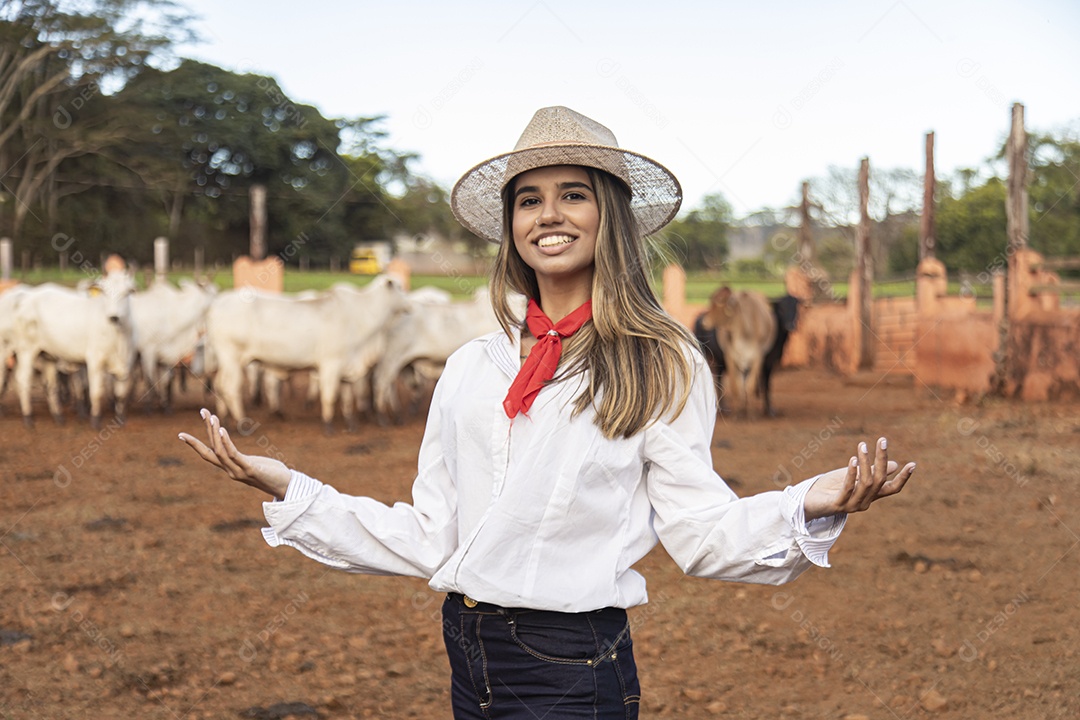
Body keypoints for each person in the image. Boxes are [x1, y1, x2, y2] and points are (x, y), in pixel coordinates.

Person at [179, 106, 915, 719]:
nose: (548, 214)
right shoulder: (474, 366)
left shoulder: (660, 361)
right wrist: (289, 486)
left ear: (610, 215)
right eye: (528, 199)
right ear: (511, 226)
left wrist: (808, 504)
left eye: (573, 194)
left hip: (568, 664)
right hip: (468, 648)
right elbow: (433, 536)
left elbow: (700, 534)